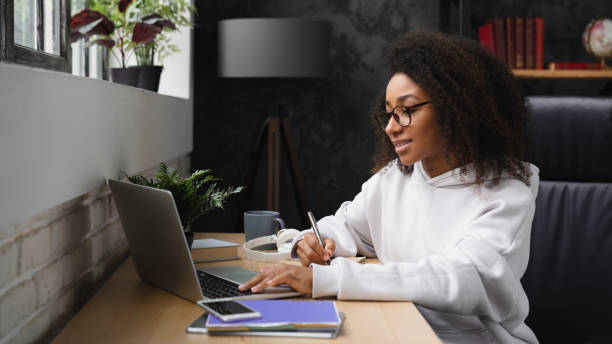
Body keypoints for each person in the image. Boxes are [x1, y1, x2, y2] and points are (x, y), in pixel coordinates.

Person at [239, 29, 540, 344]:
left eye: (407, 111)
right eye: (389, 113)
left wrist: (328, 278)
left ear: (456, 109)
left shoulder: (507, 196)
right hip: (398, 330)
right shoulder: (396, 177)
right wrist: (317, 240)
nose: (391, 127)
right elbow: (348, 226)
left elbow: (459, 277)